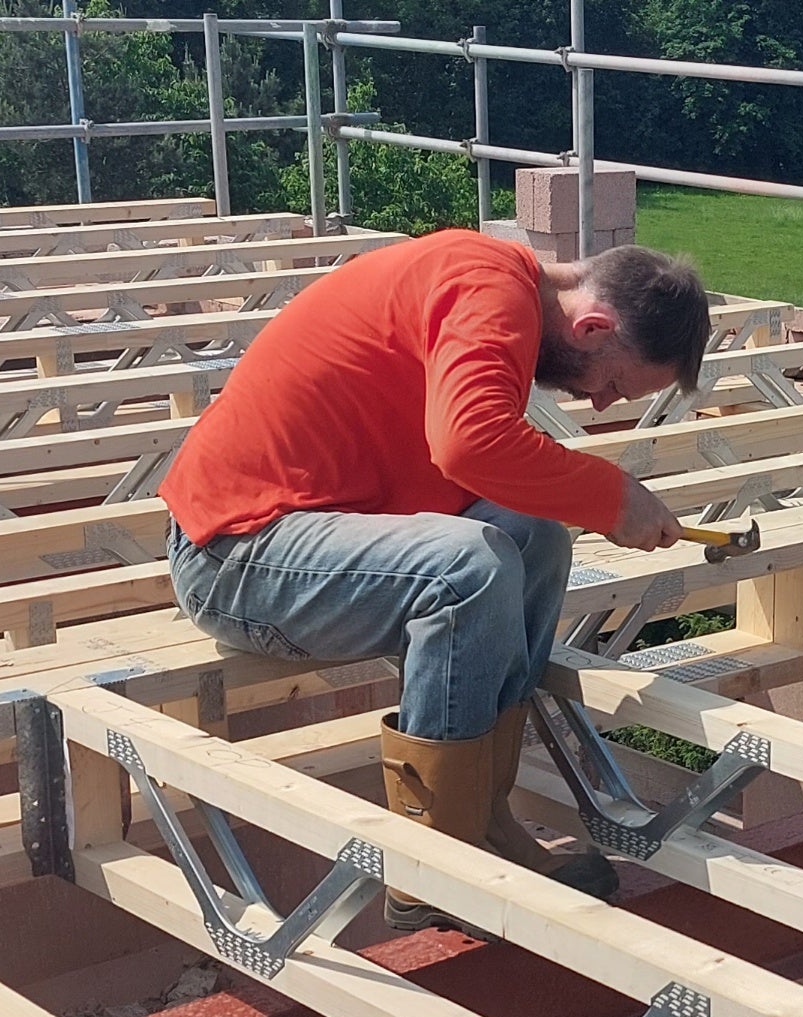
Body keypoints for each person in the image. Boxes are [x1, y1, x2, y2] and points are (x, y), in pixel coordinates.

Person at [158, 230, 711, 930]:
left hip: (317, 527)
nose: (599, 403)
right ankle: (432, 867)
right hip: (235, 553)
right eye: (613, 383)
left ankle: (483, 816)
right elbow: (466, 441)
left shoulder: (496, 285)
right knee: (468, 568)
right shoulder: (490, 293)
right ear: (593, 326)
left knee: (535, 535)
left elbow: (482, 461)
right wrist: (611, 496)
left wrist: (586, 499)